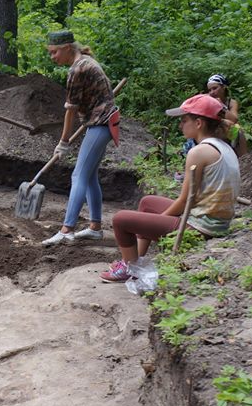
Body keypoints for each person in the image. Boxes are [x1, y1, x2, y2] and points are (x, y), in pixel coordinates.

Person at [101, 94, 239, 282]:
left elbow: (184, 201)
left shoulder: (198, 152)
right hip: (216, 222)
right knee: (147, 202)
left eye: (184, 120)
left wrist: (156, 220)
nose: (180, 125)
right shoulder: (224, 147)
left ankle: (128, 268)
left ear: (199, 123)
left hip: (201, 229)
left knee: (120, 220)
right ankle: (136, 262)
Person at [40, 30, 118, 246]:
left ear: (67, 48)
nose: (52, 57)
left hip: (101, 123)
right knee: (90, 175)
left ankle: (67, 230)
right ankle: (95, 227)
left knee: (78, 176)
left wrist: (63, 142)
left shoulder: (78, 69)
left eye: (54, 52)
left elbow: (71, 111)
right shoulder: (86, 61)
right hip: (104, 121)